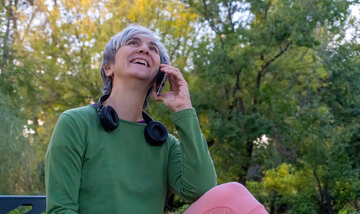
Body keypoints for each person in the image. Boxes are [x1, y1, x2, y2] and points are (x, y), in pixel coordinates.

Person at [45, 24, 268, 214]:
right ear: (108, 67)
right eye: (133, 43)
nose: (144, 48)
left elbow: (201, 190)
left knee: (234, 195)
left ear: (157, 80)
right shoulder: (75, 123)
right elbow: (61, 209)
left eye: (152, 49)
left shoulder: (164, 143)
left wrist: (184, 110)